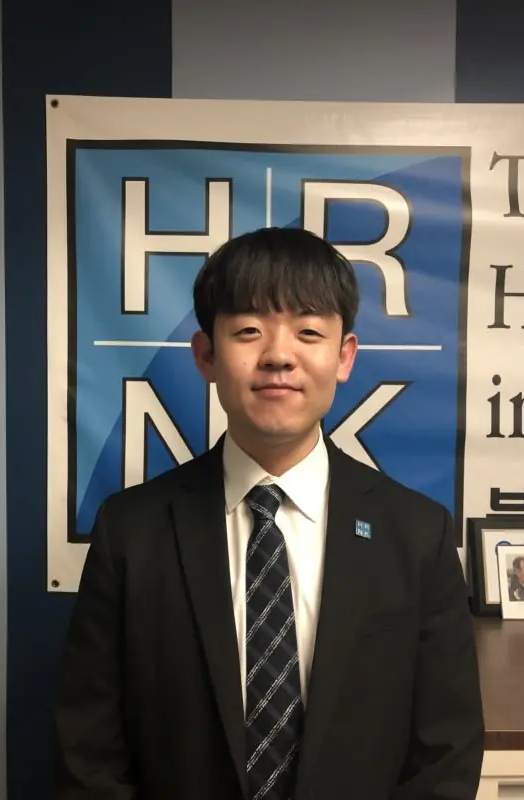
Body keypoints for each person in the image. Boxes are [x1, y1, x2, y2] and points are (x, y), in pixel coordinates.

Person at [55, 227, 484, 800]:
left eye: (308, 332)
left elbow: (447, 752)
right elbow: (88, 752)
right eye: (248, 331)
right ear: (206, 355)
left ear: (344, 356)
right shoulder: (131, 531)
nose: (279, 356)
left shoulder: (417, 534)